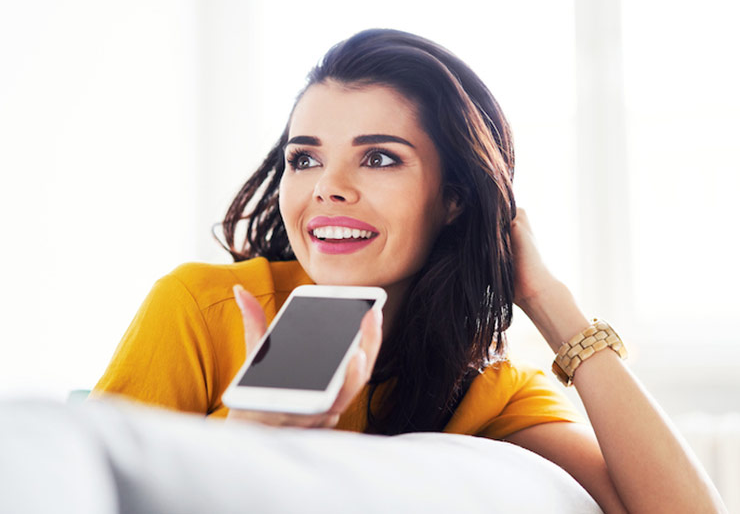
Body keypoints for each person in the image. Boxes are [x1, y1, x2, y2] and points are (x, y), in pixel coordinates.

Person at [92, 28, 725, 512]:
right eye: (305, 159)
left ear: (454, 197)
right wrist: (244, 440)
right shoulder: (201, 309)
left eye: (379, 159)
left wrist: (551, 302)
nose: (328, 189)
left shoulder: (483, 386)